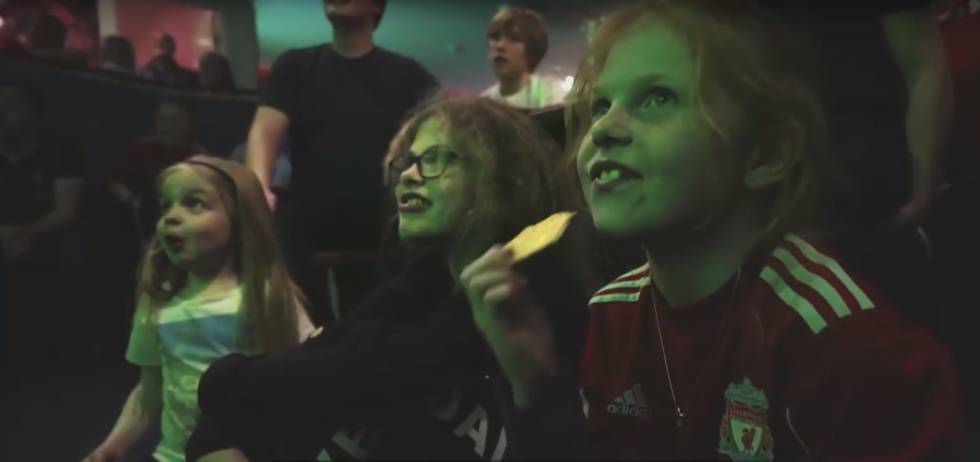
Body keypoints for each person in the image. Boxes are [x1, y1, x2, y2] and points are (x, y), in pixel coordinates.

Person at [461, 1, 964, 460]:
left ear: (765, 156)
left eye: (657, 98)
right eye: (600, 106)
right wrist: (534, 385)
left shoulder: (843, 345)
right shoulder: (610, 316)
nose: (605, 129)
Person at [185, 95, 603, 461]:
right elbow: (241, 415)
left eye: (437, 159)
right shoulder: (422, 286)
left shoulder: (533, 295)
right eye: (408, 161)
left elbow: (358, 371)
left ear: (504, 179)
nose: (409, 175)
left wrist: (227, 379)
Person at [83, 155, 315, 462]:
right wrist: (114, 445)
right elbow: (148, 392)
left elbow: (304, 378)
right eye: (166, 205)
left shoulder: (266, 296)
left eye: (194, 203)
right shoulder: (158, 301)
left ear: (240, 219)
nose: (171, 216)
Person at [246, 0, 438, 324]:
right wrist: (257, 192)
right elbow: (264, 132)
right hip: (309, 249)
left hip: (384, 252)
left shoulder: (409, 76)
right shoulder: (296, 67)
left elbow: (439, 137)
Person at [1, 82, 84, 364]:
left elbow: (66, 209)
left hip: (46, 234)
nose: (2, 112)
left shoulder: (61, 150)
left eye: (11, 106)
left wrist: (29, 233)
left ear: (34, 114)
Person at [107, 99, 204, 243]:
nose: (167, 126)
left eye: (175, 120)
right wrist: (132, 201)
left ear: (189, 124)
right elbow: (115, 181)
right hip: (139, 228)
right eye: (161, 119)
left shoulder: (200, 160)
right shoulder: (142, 149)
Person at [481, 6, 567, 109]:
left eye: (513, 38)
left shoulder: (554, 96)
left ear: (532, 50)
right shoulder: (482, 106)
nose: (500, 45)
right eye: (495, 37)